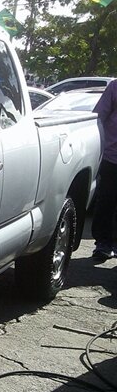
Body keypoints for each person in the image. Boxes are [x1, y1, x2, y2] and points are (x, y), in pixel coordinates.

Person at [91, 79, 117, 262]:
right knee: (106, 201)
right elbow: (98, 118)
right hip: (112, 157)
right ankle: (103, 244)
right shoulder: (115, 87)